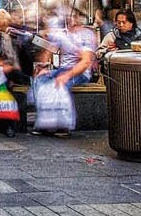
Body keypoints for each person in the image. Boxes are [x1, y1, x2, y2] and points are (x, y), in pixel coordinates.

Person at [30, 9, 96, 138]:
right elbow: (49, 50)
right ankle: (45, 122)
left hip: (79, 72)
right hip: (62, 69)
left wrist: (67, 76)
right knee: (39, 80)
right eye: (67, 17)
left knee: (60, 85)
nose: (70, 20)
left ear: (79, 18)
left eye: (73, 17)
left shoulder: (86, 35)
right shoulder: (63, 33)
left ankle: (63, 124)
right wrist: (43, 66)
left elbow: (86, 62)